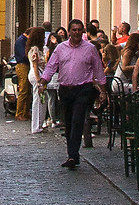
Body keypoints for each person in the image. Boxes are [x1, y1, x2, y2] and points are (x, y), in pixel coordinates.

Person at [44, 20, 104, 169]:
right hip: (65, 89)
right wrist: (43, 81)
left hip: (83, 88)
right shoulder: (60, 48)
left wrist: (103, 90)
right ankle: (72, 154)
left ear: (83, 31)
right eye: (74, 30)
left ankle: (72, 155)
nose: (77, 33)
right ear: (69, 31)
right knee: (69, 122)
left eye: (79, 30)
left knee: (78, 119)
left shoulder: (90, 49)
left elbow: (98, 69)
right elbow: (51, 66)